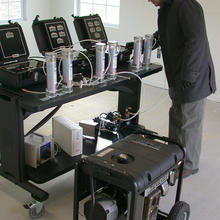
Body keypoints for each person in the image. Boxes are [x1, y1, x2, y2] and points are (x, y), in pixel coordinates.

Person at [148, 0, 216, 177]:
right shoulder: (168, 7)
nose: (148, 0)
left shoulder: (185, 5)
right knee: (178, 116)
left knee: (188, 121)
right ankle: (176, 157)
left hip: (193, 75)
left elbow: (196, 40)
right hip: (180, 75)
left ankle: (189, 165)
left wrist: (189, 77)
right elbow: (168, 32)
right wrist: (150, 41)